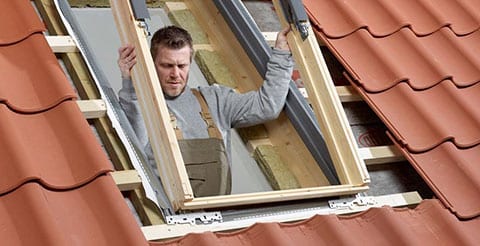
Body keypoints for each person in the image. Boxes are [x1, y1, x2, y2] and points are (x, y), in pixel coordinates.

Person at [118, 25, 293, 197]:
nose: (175, 74)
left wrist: (282, 54)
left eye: (182, 66)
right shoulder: (141, 106)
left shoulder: (215, 99)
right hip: (173, 219)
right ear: (152, 64)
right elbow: (135, 150)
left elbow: (267, 106)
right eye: (167, 65)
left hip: (220, 216)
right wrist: (130, 83)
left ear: (190, 63)